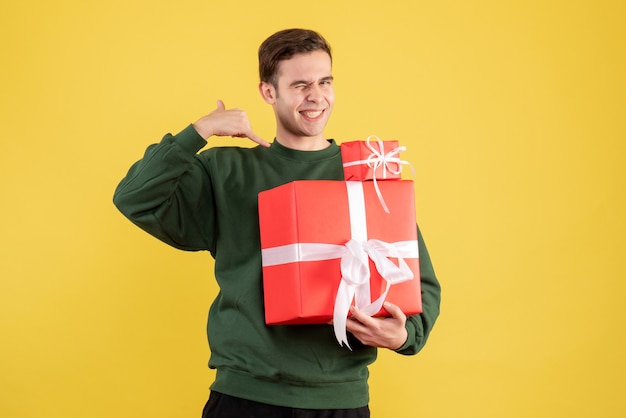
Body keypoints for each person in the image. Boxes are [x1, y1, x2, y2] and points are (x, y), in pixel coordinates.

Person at [113, 28, 441, 418]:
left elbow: (418, 280)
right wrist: (199, 132)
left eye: (324, 82)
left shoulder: (365, 173)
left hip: (341, 401)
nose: (316, 96)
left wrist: (405, 335)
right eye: (300, 84)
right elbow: (134, 196)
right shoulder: (226, 172)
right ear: (269, 92)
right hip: (246, 397)